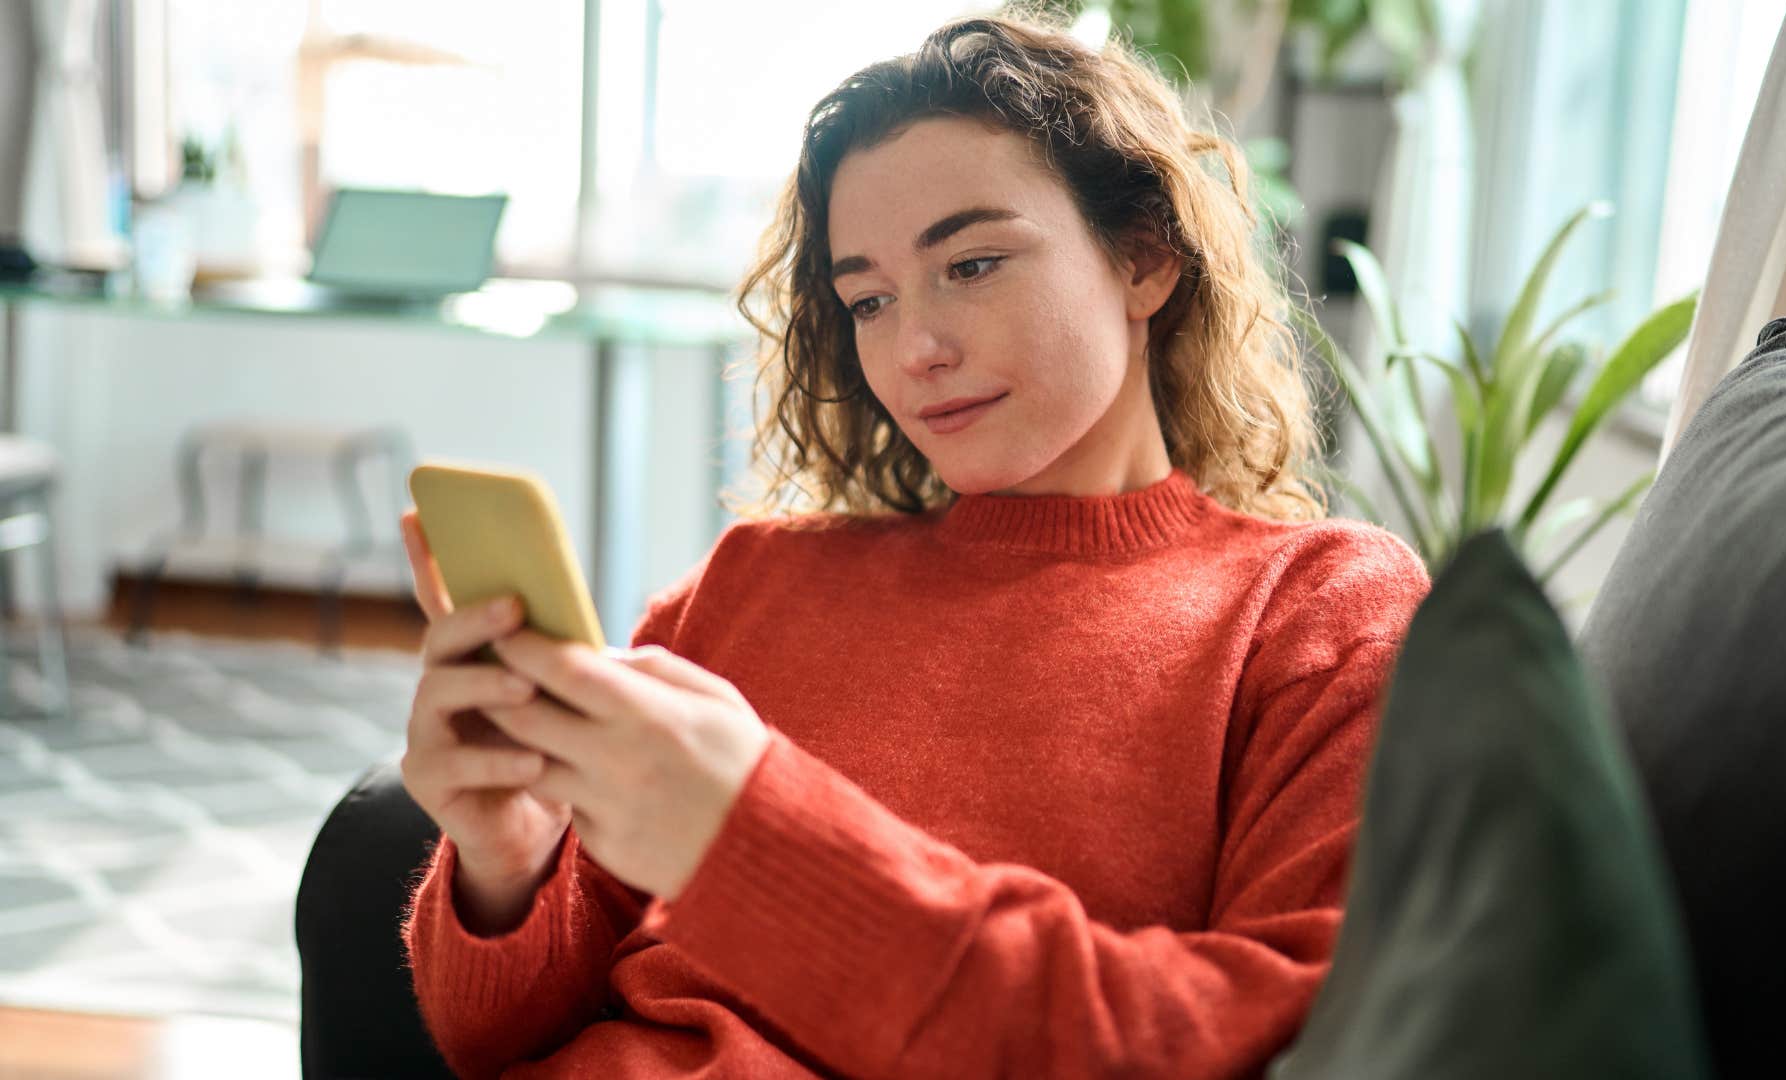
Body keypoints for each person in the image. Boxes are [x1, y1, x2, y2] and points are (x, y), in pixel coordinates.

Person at [395, 12, 1429, 1079]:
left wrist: (760, 851)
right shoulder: (754, 582)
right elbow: (495, 1038)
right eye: (870, 300)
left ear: (1146, 259)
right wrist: (506, 867)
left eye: (973, 265)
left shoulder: (1313, 608)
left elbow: (1260, 1036)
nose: (916, 349)